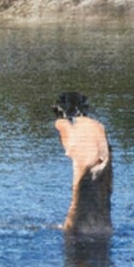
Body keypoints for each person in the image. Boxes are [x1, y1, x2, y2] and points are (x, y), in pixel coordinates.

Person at [53, 91, 112, 235]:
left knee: (75, 215)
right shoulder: (98, 125)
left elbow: (70, 149)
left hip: (84, 166)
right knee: (102, 208)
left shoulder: (62, 123)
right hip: (104, 165)